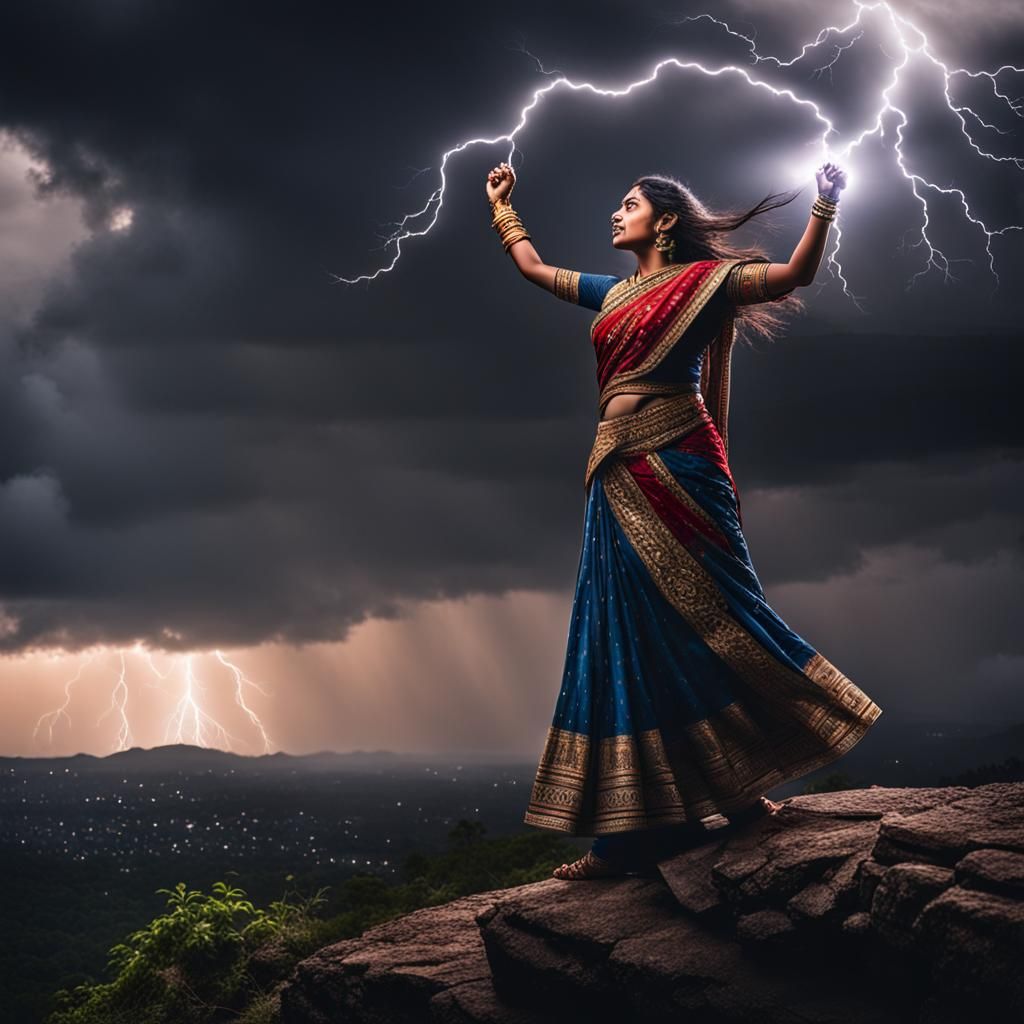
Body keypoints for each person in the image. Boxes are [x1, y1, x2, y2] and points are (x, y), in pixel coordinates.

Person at [485, 160, 882, 880]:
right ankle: (640, 829)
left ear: (664, 220)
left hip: (682, 467)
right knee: (627, 631)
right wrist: (503, 208)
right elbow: (534, 269)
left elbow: (793, 275)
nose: (616, 213)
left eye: (628, 203)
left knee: (715, 617)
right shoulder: (610, 293)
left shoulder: (705, 284)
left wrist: (824, 207)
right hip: (617, 471)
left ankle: (743, 795)